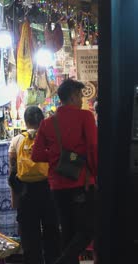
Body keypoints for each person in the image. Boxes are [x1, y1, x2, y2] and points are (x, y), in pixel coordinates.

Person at [32, 79, 97, 264]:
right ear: (74, 95)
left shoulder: (47, 123)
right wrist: (96, 172)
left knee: (67, 230)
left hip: (57, 185)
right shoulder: (85, 117)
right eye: (80, 96)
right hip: (81, 182)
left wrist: (55, 157)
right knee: (87, 230)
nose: (81, 100)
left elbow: (36, 155)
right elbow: (93, 147)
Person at [8, 106, 61, 264]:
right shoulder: (50, 139)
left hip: (26, 192)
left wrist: (14, 199)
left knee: (30, 235)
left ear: (26, 121)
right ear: (42, 120)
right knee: (52, 232)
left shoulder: (17, 140)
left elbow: (13, 172)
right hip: (48, 190)